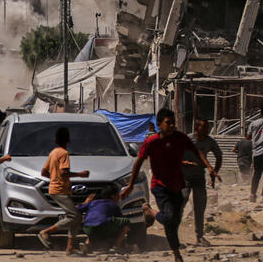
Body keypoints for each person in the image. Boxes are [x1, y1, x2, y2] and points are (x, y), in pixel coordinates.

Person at [120, 108, 220, 262]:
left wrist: (211, 168)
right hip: (162, 185)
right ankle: (151, 213)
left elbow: (199, 152)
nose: (172, 125)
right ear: (159, 124)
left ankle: (183, 246)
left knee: (182, 213)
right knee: (171, 216)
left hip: (180, 183)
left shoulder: (181, 138)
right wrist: (131, 185)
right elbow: (139, 162)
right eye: (169, 123)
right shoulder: (151, 141)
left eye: (173, 122)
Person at [37, 127, 90, 255]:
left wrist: (53, 178)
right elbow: (64, 172)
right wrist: (80, 174)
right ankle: (46, 232)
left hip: (54, 188)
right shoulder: (64, 153)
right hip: (59, 190)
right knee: (75, 216)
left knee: (73, 218)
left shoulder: (53, 152)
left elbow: (44, 172)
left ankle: (70, 248)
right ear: (68, 140)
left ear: (55, 140)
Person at [182, 118, 222, 246]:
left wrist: (214, 172)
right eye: (204, 127)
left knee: (200, 208)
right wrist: (185, 163)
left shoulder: (210, 141)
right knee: (180, 205)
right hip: (184, 178)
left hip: (199, 177)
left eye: (208, 127)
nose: (207, 129)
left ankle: (199, 237)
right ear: (196, 128)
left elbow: (219, 156)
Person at [78, 186, 132, 252]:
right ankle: (116, 245)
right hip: (102, 226)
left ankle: (87, 244)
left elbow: (77, 208)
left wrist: (86, 202)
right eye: (118, 195)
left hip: (87, 227)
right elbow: (120, 221)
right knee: (125, 222)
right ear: (113, 196)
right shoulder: (113, 204)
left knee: (93, 227)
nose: (119, 197)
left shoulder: (93, 202)